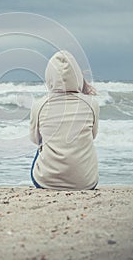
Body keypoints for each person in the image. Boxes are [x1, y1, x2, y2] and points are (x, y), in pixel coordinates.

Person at [30, 50, 99, 190]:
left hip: (46, 182)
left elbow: (35, 139)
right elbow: (93, 135)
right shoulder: (92, 104)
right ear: (77, 76)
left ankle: (52, 174)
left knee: (41, 148)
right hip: (86, 183)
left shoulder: (39, 105)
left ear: (49, 76)